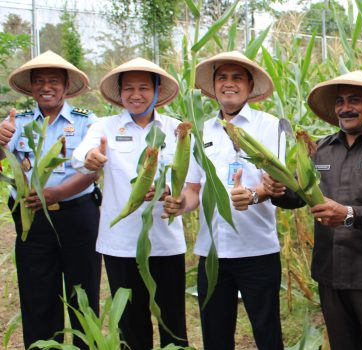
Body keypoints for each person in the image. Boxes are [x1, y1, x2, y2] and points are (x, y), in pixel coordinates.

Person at [264, 71, 362, 350]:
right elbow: (298, 196)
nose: (345, 107)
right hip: (329, 271)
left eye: (354, 100)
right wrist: (277, 189)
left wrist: (349, 214)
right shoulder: (321, 149)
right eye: (339, 101)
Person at [163, 51, 284, 350]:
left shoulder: (271, 126)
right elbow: (193, 189)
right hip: (212, 253)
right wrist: (180, 203)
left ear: (250, 84)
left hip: (258, 250)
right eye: (222, 78)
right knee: (215, 335)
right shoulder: (201, 130)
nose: (229, 84)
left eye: (237, 78)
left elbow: (280, 182)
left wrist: (255, 195)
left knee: (267, 333)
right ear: (214, 85)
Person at [72, 58, 188, 350]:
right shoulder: (105, 127)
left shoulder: (176, 131)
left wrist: (171, 193)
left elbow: (189, 180)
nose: (135, 95)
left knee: (173, 321)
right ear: (120, 93)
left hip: (166, 242)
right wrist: (89, 160)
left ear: (157, 90)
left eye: (143, 88)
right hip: (120, 244)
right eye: (128, 89)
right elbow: (81, 156)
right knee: (130, 326)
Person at [0, 50, 101, 349]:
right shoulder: (16, 122)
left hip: (78, 216)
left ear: (66, 85)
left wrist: (59, 192)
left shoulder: (87, 122)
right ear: (31, 87)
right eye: (40, 81)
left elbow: (92, 171)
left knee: (82, 295)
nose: (47, 87)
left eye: (54, 81)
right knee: (37, 296)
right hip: (32, 220)